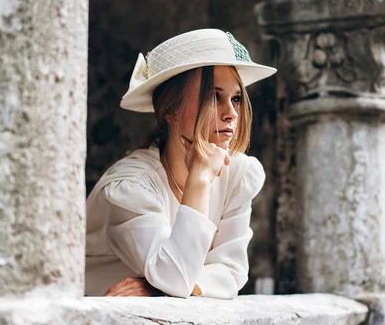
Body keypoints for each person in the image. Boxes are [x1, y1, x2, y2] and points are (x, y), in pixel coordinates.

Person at [85, 28, 276, 299]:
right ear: (171, 110)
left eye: (235, 98)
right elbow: (175, 276)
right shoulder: (129, 187)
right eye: (213, 96)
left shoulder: (239, 173)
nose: (231, 113)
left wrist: (160, 286)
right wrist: (199, 181)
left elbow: (231, 272)